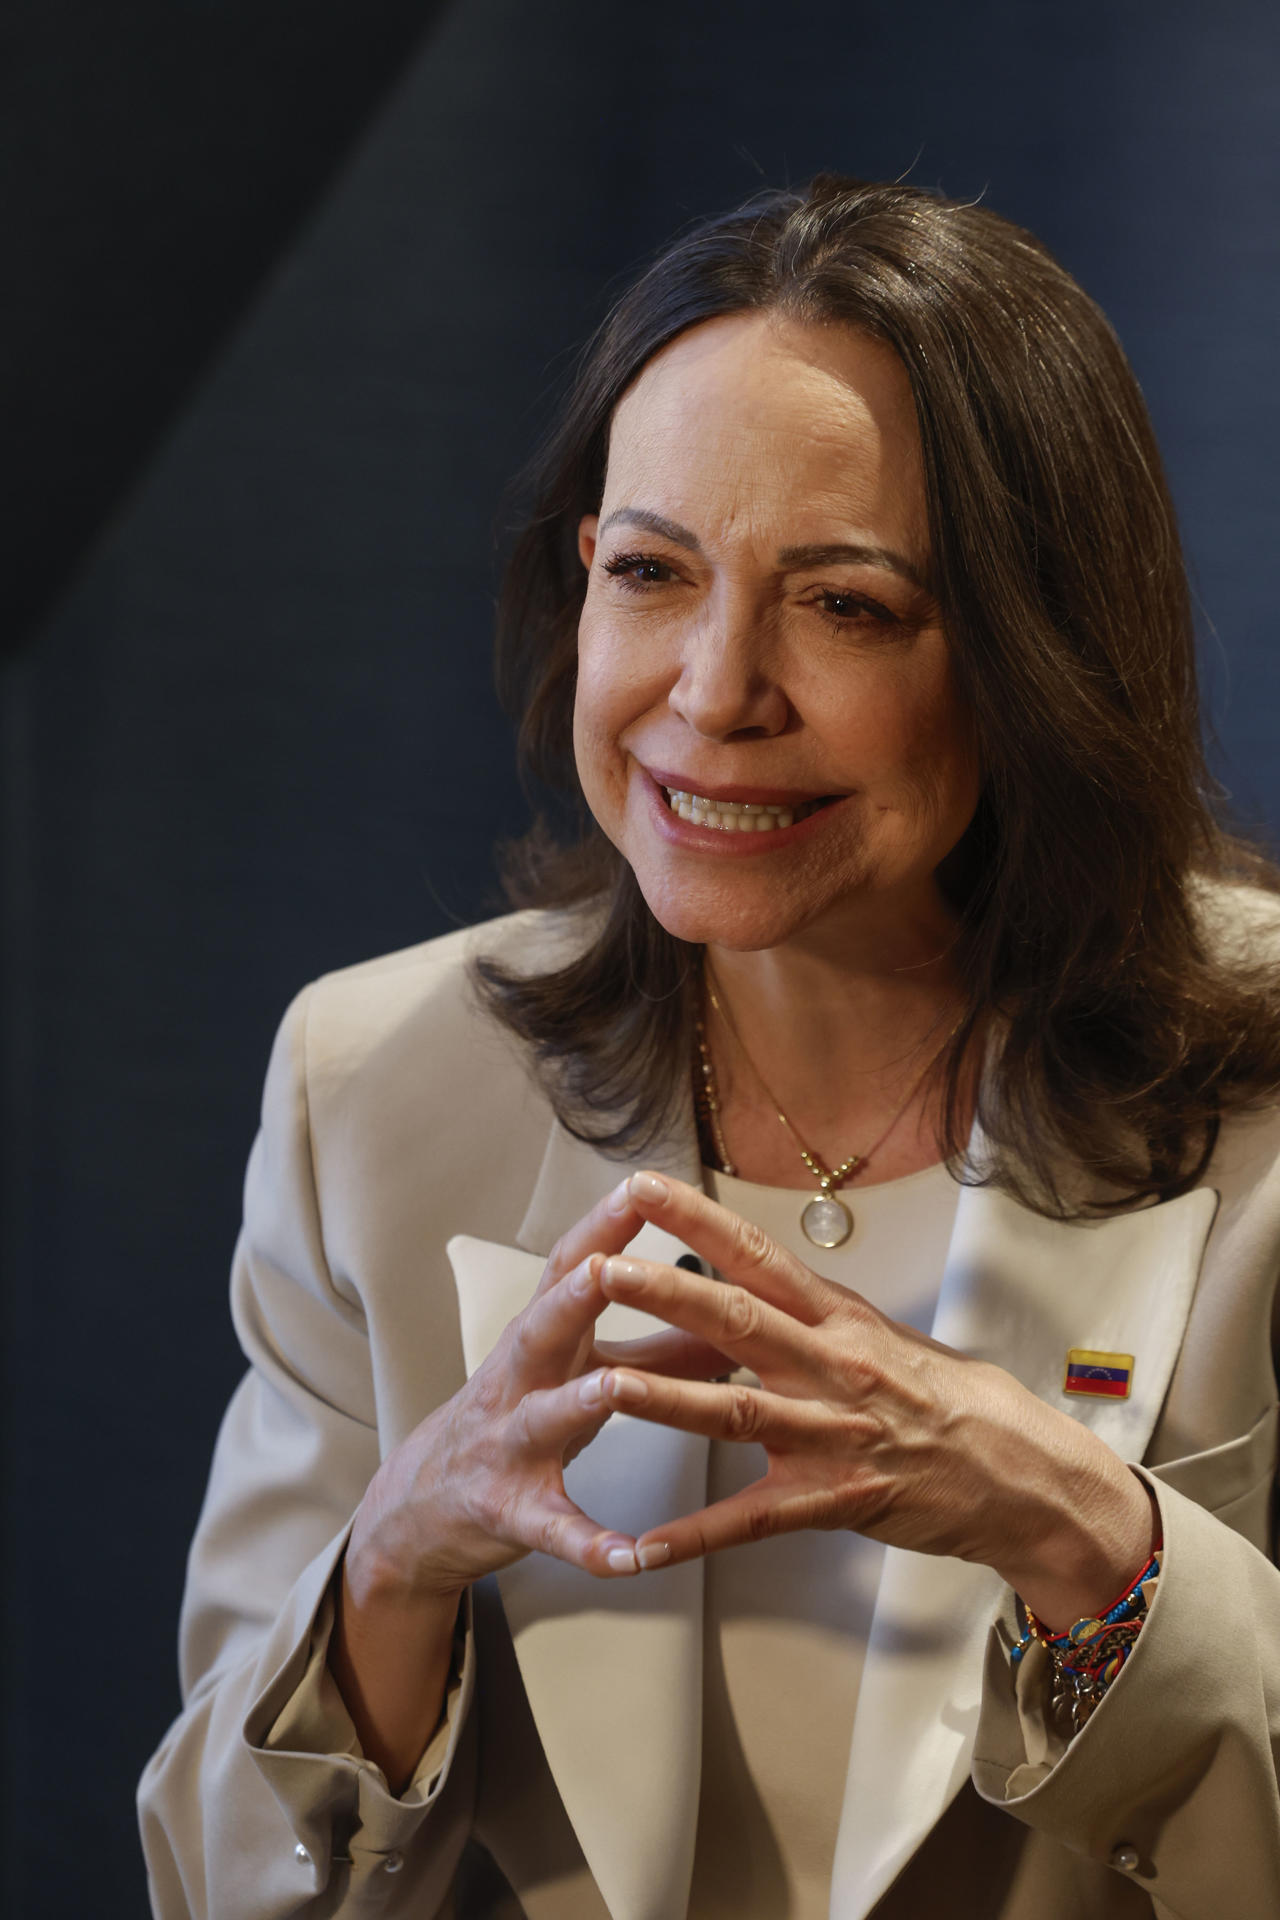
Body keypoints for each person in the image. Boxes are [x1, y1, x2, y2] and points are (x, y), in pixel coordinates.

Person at [138, 175, 1280, 1920]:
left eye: (847, 605)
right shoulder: (374, 1084)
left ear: (1039, 649)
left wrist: (1095, 1545)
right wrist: (397, 1562)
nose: (713, 689)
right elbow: (222, 1880)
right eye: (655, 573)